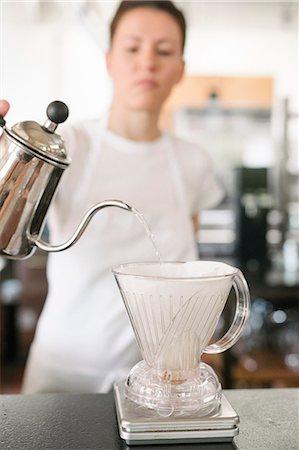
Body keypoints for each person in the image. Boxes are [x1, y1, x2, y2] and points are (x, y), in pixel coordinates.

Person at [0, 1, 224, 393]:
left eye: (164, 51)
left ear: (180, 70)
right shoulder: (69, 145)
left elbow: (189, 268)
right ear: (109, 60)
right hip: (65, 375)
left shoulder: (194, 162)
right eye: (133, 47)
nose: (147, 63)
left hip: (164, 380)